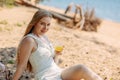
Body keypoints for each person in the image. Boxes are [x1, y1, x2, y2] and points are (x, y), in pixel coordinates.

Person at [13, 9, 103, 80]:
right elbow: (21, 66)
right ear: (34, 23)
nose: (45, 28)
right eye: (42, 24)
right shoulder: (29, 40)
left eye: (48, 24)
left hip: (58, 72)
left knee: (81, 68)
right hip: (46, 77)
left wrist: (56, 54)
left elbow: (52, 64)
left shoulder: (44, 37)